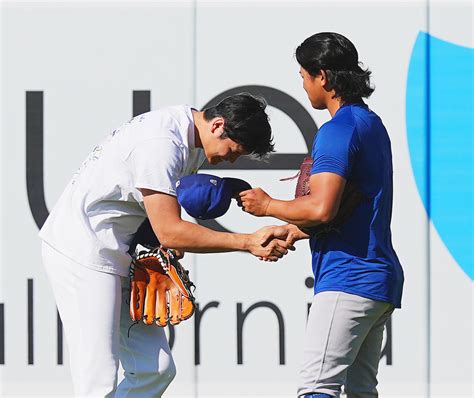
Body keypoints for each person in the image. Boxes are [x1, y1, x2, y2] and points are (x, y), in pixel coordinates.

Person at [39, 93, 292, 397]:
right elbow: (171, 231)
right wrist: (247, 242)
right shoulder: (162, 142)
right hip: (81, 252)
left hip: (115, 251)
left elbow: (159, 223)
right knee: (98, 380)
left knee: (154, 369)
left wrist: (167, 245)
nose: (232, 159)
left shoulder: (190, 137)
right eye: (233, 151)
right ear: (218, 126)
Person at [240, 32, 404, 398]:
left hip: (350, 275)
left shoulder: (337, 130)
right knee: (361, 392)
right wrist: (291, 230)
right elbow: (349, 205)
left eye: (303, 75)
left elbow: (321, 207)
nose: (303, 84)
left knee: (318, 388)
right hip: (377, 277)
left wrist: (267, 205)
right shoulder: (370, 123)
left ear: (323, 77)